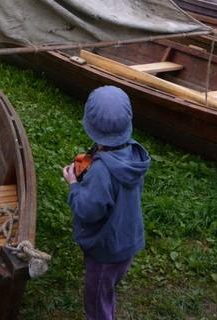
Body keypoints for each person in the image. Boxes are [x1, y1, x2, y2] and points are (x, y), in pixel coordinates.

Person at [62, 86, 150, 320]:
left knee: (97, 301)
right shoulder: (134, 154)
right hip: (127, 241)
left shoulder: (101, 171)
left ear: (90, 123)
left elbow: (88, 211)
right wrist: (89, 165)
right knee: (108, 287)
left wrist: (73, 184)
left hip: (105, 250)